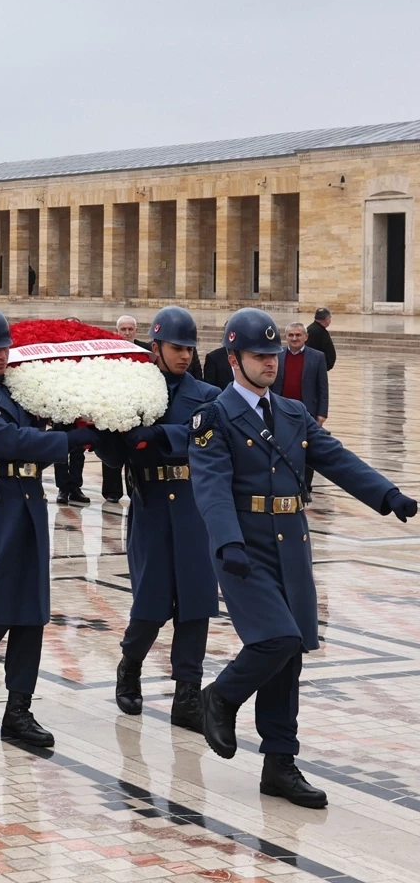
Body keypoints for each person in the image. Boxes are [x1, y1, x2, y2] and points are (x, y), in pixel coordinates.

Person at [192, 307, 415, 808]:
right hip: (243, 546)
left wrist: (387, 495)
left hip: (291, 541)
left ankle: (279, 763)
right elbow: (210, 486)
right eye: (259, 355)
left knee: (290, 656)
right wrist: (226, 540)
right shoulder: (214, 417)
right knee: (277, 639)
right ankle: (221, 697)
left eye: (273, 354)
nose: (270, 363)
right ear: (233, 359)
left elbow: (337, 459)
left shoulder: (292, 413)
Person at [0, 306, 105, 747]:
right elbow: (11, 442)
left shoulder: (21, 389)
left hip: (29, 503)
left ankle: (19, 709)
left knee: (31, 610)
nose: (1, 357)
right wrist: (70, 440)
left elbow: (43, 419)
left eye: (4, 349)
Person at [113, 306, 220, 731]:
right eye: (177, 348)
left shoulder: (208, 394)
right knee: (151, 601)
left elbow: (205, 435)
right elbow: (114, 448)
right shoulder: (136, 390)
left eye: (190, 349)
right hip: (151, 502)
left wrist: (161, 436)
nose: (185, 356)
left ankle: (187, 694)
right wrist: (113, 437)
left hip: (193, 506)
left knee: (195, 603)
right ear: (154, 347)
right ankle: (130, 664)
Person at [277, 322, 329, 495]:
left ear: (306, 337)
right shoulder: (277, 356)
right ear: (286, 337)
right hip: (281, 411)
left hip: (307, 412)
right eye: (291, 335)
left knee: (306, 449)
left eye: (298, 335)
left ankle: (305, 486)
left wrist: (322, 413)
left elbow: (323, 387)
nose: (294, 338)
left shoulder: (317, 357)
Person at [102, 315, 147, 504]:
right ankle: (112, 491)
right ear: (117, 331)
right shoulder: (108, 349)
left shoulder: (144, 349)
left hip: (135, 408)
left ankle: (133, 487)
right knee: (111, 448)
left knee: (134, 449)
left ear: (136, 331)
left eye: (130, 329)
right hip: (112, 406)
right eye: (123, 329)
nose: (127, 333)